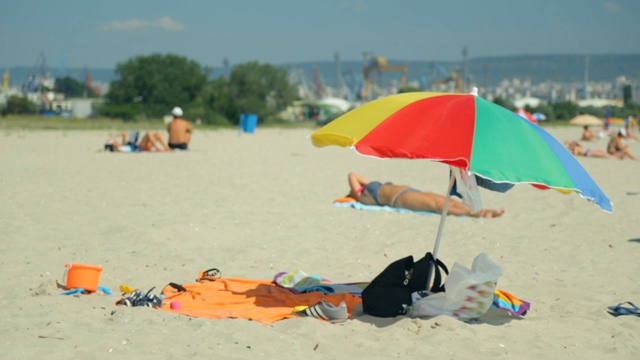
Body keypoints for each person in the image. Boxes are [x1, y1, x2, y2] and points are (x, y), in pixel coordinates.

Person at [346, 172, 505, 218]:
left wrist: (357, 189)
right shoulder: (362, 197)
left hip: (409, 191)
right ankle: (478, 213)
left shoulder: (366, 188)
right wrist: (354, 194)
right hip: (400, 199)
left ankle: (480, 209)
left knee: (445, 200)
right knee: (438, 206)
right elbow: (351, 175)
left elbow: (354, 175)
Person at [104, 131, 172, 152]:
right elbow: (113, 148)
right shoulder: (120, 149)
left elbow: (124, 133)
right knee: (148, 133)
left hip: (139, 146)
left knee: (159, 134)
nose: (116, 142)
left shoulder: (123, 145)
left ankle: (167, 148)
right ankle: (158, 148)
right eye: (115, 142)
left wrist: (112, 137)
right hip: (140, 148)